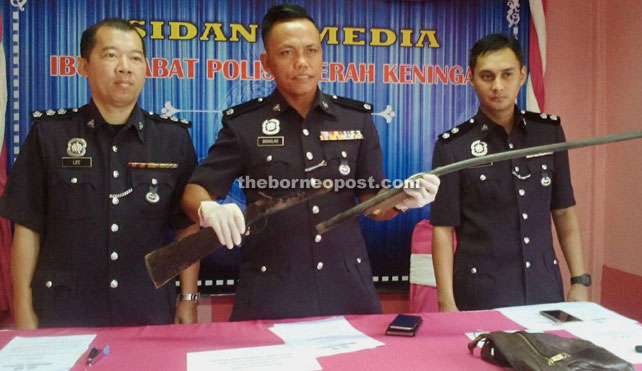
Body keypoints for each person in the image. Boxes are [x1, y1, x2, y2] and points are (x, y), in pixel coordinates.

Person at [181, 3, 439, 321]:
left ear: (321, 55)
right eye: (287, 53)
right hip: (270, 290)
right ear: (267, 62)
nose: (302, 63)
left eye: (311, 51)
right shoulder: (244, 125)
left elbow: (373, 204)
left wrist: (403, 200)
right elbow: (194, 192)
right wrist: (209, 210)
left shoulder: (355, 119)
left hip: (347, 289)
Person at [0, 18, 200, 328]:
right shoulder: (50, 136)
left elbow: (187, 228)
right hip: (64, 311)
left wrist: (188, 299)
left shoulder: (173, 140)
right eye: (110, 55)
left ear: (146, 68)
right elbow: (27, 228)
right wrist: (23, 309)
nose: (125, 67)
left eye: (135, 57)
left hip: (145, 310)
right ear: (83, 66)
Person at [429, 33, 590, 311]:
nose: (498, 86)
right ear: (472, 78)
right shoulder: (454, 146)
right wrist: (446, 302)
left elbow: (563, 211)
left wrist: (579, 280)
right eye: (487, 76)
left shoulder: (548, 133)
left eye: (507, 74)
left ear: (523, 74)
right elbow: (443, 230)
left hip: (544, 289)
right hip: (482, 293)